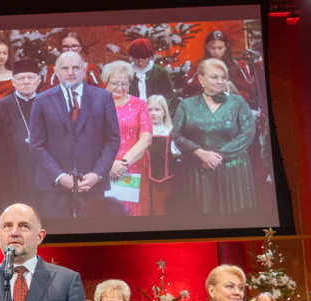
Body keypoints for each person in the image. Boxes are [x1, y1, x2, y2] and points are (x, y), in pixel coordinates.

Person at [29, 51, 121, 219]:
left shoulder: (103, 97)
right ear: (55, 71)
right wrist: (59, 176)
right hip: (54, 185)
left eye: (76, 68)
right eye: (65, 68)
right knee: (57, 239)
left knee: (93, 239)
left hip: (92, 184)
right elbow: (36, 144)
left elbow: (112, 139)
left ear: (85, 69)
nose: (70, 72)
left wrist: (97, 174)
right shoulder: (42, 100)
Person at [171, 59, 257, 215]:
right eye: (214, 77)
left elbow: (248, 132)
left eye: (223, 77)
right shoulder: (186, 105)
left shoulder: (237, 102)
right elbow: (177, 135)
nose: (220, 81)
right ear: (201, 79)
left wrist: (219, 157)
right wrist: (200, 153)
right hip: (196, 168)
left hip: (232, 168)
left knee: (233, 218)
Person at [103, 60, 152, 217]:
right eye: (115, 83)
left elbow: (146, 138)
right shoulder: (96, 103)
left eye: (124, 83)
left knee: (133, 213)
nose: (120, 88)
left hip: (132, 166)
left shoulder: (139, 104)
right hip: (103, 167)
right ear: (106, 82)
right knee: (106, 213)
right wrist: (109, 164)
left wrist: (123, 163)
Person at [0, 59, 42, 209]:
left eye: (31, 77)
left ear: (39, 80)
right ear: (13, 82)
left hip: (42, 174)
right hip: (10, 174)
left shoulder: (48, 103)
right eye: (21, 78)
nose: (26, 82)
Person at [146, 94, 181, 215]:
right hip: (144, 181)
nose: (153, 113)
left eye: (157, 109)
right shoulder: (142, 134)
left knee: (161, 210)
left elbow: (177, 155)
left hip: (164, 181)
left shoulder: (171, 133)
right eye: (149, 110)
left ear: (165, 112)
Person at [126, 38, 178, 115]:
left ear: (150, 56)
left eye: (144, 58)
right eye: (136, 58)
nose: (140, 61)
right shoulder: (126, 72)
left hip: (156, 117)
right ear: (132, 57)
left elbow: (170, 98)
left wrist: (163, 116)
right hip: (131, 115)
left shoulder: (161, 72)